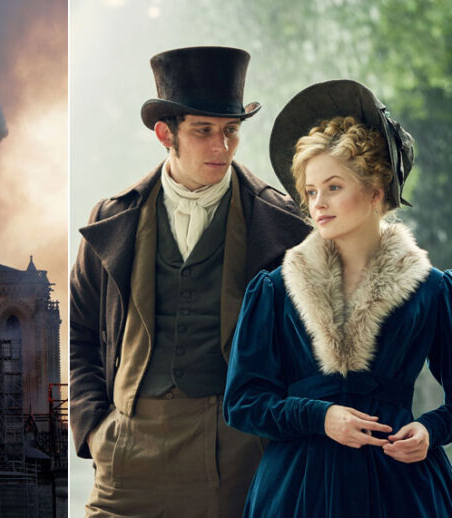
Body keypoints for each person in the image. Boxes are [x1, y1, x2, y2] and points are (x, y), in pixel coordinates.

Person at [70, 46, 310, 517]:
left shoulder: (283, 224)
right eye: (203, 131)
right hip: (126, 449)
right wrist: (95, 429)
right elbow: (80, 334)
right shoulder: (112, 217)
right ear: (166, 134)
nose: (221, 147)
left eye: (231, 131)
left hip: (236, 451)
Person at [223, 79, 452, 517]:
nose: (317, 204)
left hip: (401, 488)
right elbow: (242, 402)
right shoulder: (273, 290)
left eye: (333, 187)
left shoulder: (433, 289)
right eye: (310, 192)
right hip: (297, 490)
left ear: (375, 192)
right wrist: (319, 416)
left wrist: (430, 429)